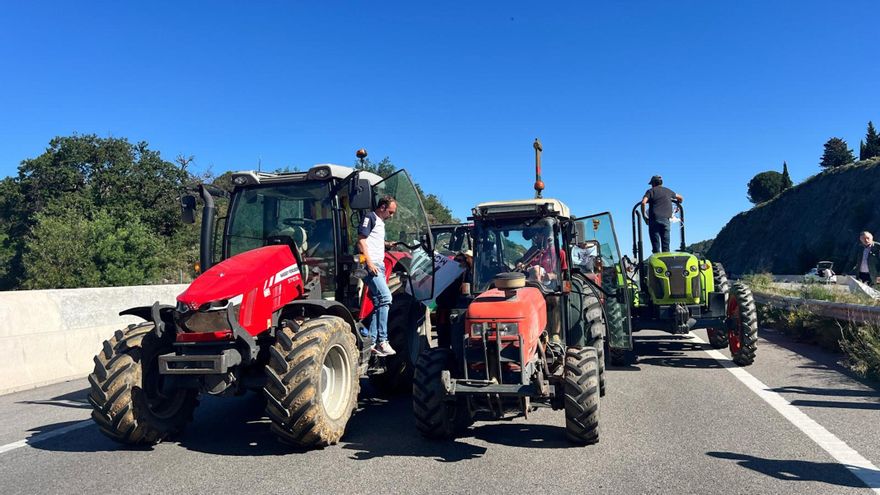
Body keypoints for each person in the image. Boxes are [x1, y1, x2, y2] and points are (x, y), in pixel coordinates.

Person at [357, 195, 397, 356]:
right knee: (386, 298)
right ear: (382, 207)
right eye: (391, 212)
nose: (391, 216)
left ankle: (372, 342)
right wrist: (369, 262)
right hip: (371, 265)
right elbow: (361, 240)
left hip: (377, 264)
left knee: (378, 301)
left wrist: (387, 244)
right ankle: (383, 340)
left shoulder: (379, 222)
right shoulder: (369, 217)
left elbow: (373, 240)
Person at [434, 250, 473, 349]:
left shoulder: (470, 276)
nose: (458, 263)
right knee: (443, 341)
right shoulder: (447, 276)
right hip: (446, 310)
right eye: (456, 260)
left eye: (461, 260)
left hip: (462, 311)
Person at [641, 175, 683, 254]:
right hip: (665, 220)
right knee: (666, 246)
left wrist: (644, 217)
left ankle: (657, 264)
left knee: (656, 246)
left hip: (654, 220)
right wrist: (677, 205)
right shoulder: (668, 191)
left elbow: (643, 203)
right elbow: (680, 198)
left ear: (653, 184)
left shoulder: (650, 191)